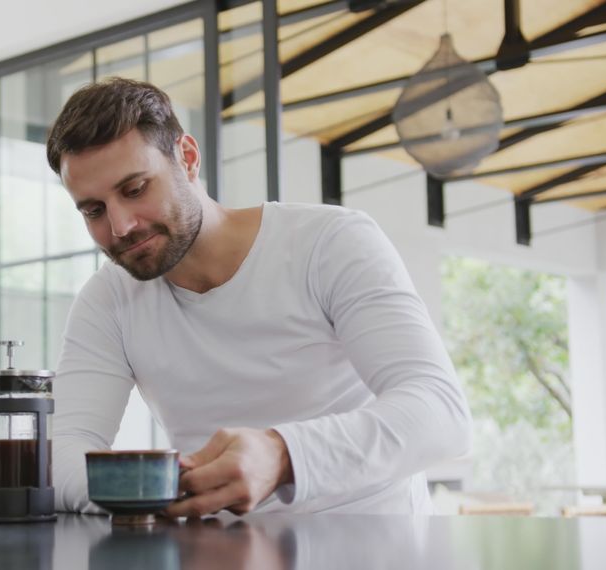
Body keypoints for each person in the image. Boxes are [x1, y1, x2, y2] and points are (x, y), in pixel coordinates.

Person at [45, 77, 471, 518]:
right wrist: (162, 489)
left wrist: (282, 455)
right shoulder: (108, 299)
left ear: (187, 158)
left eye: (135, 190)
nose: (120, 226)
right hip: (218, 553)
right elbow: (62, 454)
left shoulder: (329, 243)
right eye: (93, 210)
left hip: (375, 545)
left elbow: (440, 413)